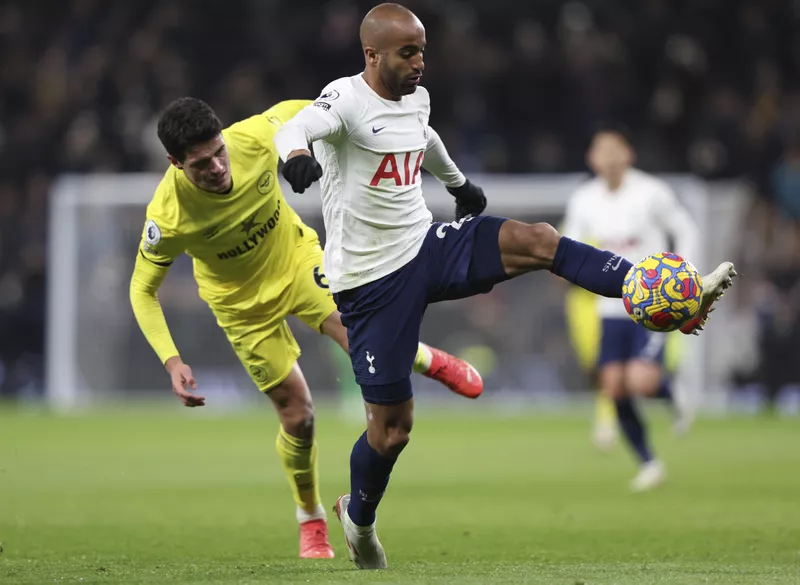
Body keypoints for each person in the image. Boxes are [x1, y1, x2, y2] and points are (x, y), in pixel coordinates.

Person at [273, 2, 736, 569]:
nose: (420, 62)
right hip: (370, 284)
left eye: (422, 50)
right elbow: (297, 127)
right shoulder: (344, 98)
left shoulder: (415, 96)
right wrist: (295, 155)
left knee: (538, 239)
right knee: (392, 432)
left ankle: (660, 290)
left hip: (425, 246)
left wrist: (456, 182)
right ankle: (359, 518)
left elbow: (426, 135)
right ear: (372, 55)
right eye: (407, 52)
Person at [129, 96, 484, 560]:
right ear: (176, 164)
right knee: (299, 417)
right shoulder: (166, 216)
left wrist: (301, 151)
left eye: (219, 152)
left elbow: (324, 103)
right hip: (240, 305)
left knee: (357, 333)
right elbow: (142, 291)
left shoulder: (257, 136)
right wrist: (172, 361)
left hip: (296, 261)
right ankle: (310, 516)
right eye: (201, 164)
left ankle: (426, 358)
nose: (218, 166)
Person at [562, 124, 700, 490]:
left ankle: (672, 392)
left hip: (653, 305)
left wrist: (686, 275)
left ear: (628, 154)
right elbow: (571, 245)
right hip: (610, 306)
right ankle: (649, 463)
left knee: (641, 381)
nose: (607, 159)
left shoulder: (651, 192)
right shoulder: (584, 199)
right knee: (614, 387)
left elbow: (685, 228)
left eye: (614, 150)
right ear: (592, 159)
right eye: (600, 151)